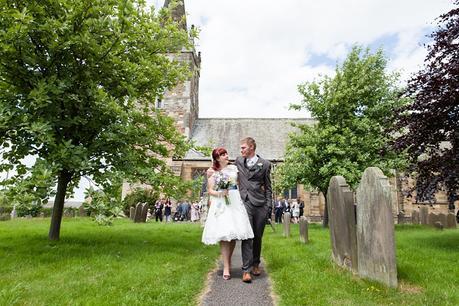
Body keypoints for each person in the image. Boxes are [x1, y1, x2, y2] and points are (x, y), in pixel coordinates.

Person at [202, 147, 254, 281]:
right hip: (221, 204)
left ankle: (228, 261)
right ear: (217, 158)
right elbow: (210, 190)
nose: (226, 156)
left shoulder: (234, 168)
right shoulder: (212, 172)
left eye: (226, 153)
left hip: (235, 202)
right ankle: (226, 266)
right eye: (223, 154)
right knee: (224, 236)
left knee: (232, 235)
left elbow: (239, 182)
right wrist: (220, 193)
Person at [235, 137, 272, 283]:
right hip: (245, 203)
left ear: (251, 147)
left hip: (260, 204)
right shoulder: (239, 161)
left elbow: (268, 187)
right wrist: (213, 170)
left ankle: (256, 264)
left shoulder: (265, 164)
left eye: (243, 147)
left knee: (257, 236)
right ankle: (246, 270)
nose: (241, 150)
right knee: (247, 236)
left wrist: (268, 205)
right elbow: (225, 168)